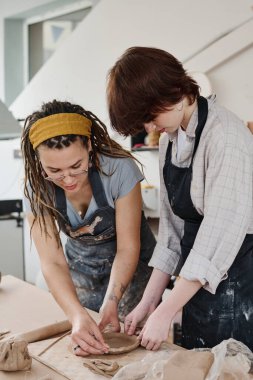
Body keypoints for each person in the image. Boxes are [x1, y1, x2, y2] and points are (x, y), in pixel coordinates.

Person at [106, 46, 253, 351]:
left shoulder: (225, 136)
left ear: (173, 90)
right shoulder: (170, 141)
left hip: (236, 283)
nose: (149, 128)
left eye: (150, 116)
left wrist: (166, 310)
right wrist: (149, 304)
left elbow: (216, 237)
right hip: (195, 285)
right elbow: (172, 237)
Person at [21, 99, 156, 356]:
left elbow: (128, 248)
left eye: (76, 166)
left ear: (90, 147)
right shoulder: (36, 189)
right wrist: (76, 316)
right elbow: (52, 262)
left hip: (134, 269)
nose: (68, 179)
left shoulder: (118, 169)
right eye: (54, 171)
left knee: (134, 351)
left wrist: (112, 300)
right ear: (39, 161)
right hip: (82, 268)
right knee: (85, 342)